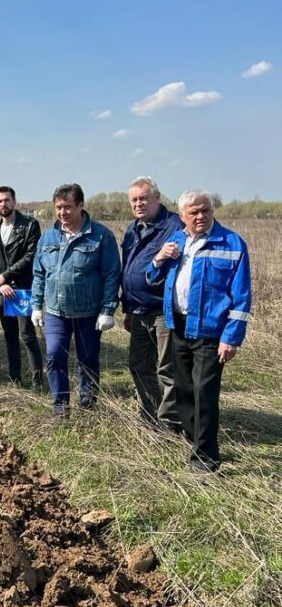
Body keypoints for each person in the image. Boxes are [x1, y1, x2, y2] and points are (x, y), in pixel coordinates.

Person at [147, 191, 252, 473]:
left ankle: (206, 459)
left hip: (210, 331)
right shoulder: (176, 241)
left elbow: (241, 297)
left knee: (204, 394)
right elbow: (152, 278)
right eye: (193, 212)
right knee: (183, 391)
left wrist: (231, 337)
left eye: (205, 210)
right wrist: (158, 259)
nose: (201, 216)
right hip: (179, 326)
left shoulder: (231, 243)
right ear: (182, 216)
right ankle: (195, 440)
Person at [31, 183, 120, 415]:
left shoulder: (100, 236)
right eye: (58, 208)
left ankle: (87, 406)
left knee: (87, 360)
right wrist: (36, 306)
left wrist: (107, 309)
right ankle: (61, 409)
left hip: (88, 313)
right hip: (55, 312)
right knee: (53, 356)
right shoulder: (48, 237)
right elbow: (39, 272)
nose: (63, 213)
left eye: (68, 207)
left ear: (81, 205)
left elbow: (111, 274)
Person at [121, 176, 183, 429]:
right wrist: (126, 308)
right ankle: (150, 415)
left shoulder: (174, 226)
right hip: (137, 310)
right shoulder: (133, 229)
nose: (139, 204)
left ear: (157, 198)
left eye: (144, 198)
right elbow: (128, 269)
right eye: (134, 200)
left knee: (168, 369)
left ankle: (171, 422)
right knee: (138, 365)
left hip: (161, 310)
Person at [0, 186, 44, 391]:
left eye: (7, 200)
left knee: (27, 336)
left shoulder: (29, 225)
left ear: (14, 201)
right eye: (0, 201)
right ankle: (15, 379)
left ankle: (37, 382)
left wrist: (5, 277)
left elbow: (30, 256)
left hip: (22, 291)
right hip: (3, 292)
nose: (4, 204)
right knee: (10, 337)